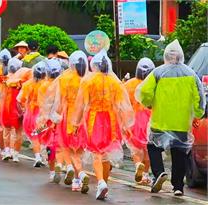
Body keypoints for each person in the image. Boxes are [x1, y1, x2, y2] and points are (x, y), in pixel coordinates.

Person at [137, 40, 206, 196]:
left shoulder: (157, 73)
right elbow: (200, 98)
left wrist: (149, 104)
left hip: (160, 120)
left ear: (165, 56)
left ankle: (159, 173)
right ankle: (178, 187)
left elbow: (144, 93)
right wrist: (197, 114)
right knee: (179, 153)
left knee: (153, 146)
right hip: (181, 122)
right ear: (181, 56)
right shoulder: (191, 74)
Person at [72, 50, 134, 200]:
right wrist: (126, 126)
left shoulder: (88, 81)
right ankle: (103, 183)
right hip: (112, 120)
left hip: (94, 119)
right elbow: (122, 106)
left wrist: (75, 123)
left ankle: (101, 182)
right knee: (106, 154)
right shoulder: (116, 82)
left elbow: (81, 104)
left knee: (97, 153)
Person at [43, 51, 90, 193]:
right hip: (84, 118)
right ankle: (76, 180)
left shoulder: (64, 78)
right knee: (79, 150)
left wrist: (54, 117)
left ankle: (75, 171)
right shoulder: (89, 78)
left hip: (68, 116)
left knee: (66, 146)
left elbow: (59, 101)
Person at [123, 58, 156, 185]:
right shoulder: (153, 84)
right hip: (150, 120)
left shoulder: (129, 84)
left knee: (135, 149)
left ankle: (137, 165)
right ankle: (146, 175)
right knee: (148, 149)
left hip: (134, 121)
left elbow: (123, 103)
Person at [17, 61, 49, 167]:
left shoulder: (27, 84)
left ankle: (38, 157)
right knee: (44, 136)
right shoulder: (47, 84)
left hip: (30, 114)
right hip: (43, 113)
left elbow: (20, 99)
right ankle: (47, 158)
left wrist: (22, 109)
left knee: (35, 136)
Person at [1, 58, 31, 162]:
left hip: (7, 106)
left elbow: (0, 94)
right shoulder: (24, 78)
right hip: (19, 106)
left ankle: (7, 150)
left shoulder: (6, 79)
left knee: (7, 129)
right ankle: (16, 154)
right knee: (18, 131)